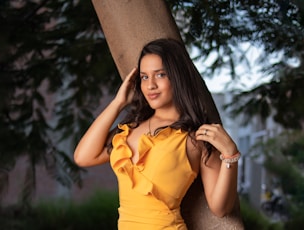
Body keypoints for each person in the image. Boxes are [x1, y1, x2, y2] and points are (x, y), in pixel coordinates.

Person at [74, 38, 241, 229]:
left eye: (160, 75)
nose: (151, 85)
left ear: (177, 78)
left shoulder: (196, 138)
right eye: (144, 77)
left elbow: (221, 208)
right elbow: (83, 157)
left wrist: (230, 155)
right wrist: (118, 103)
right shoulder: (130, 128)